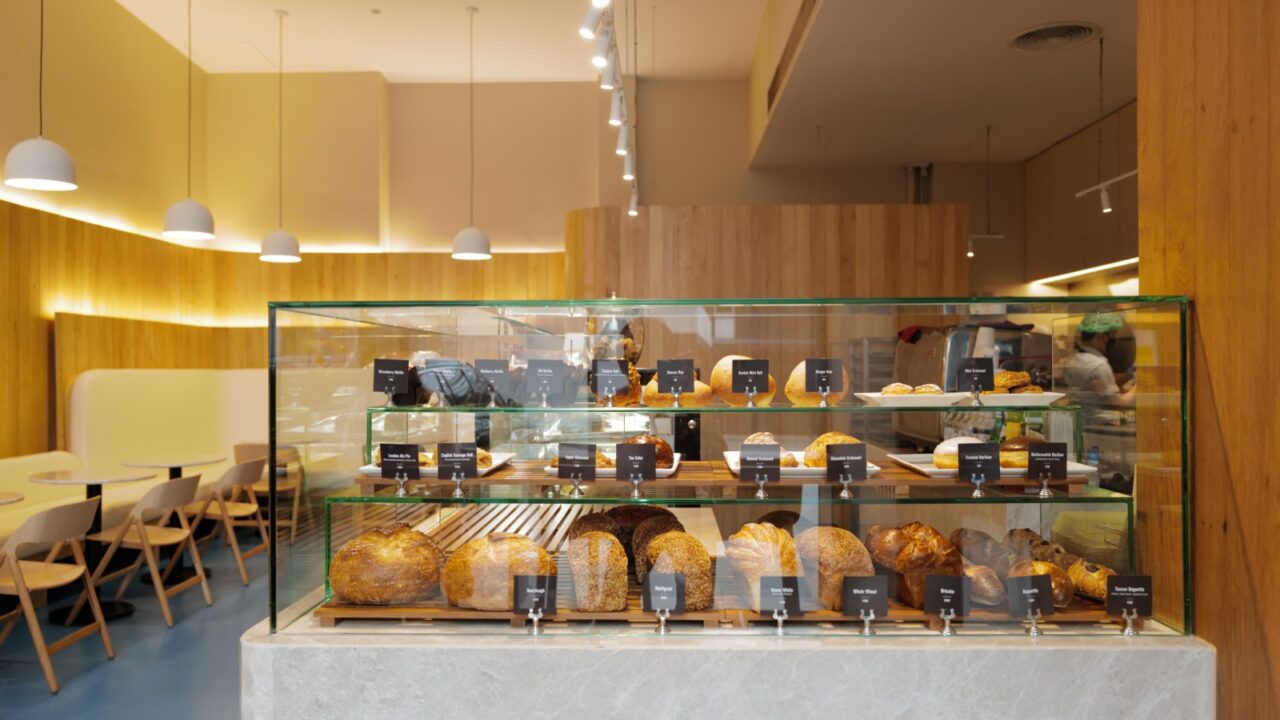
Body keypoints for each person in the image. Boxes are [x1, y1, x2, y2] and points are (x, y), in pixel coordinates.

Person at [1062, 312, 1136, 409]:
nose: (1114, 342)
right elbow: (1118, 404)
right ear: (1101, 336)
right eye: (1113, 337)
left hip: (1078, 418)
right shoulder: (1099, 366)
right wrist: (1139, 385)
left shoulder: (1072, 360)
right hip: (1095, 421)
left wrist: (1124, 377)